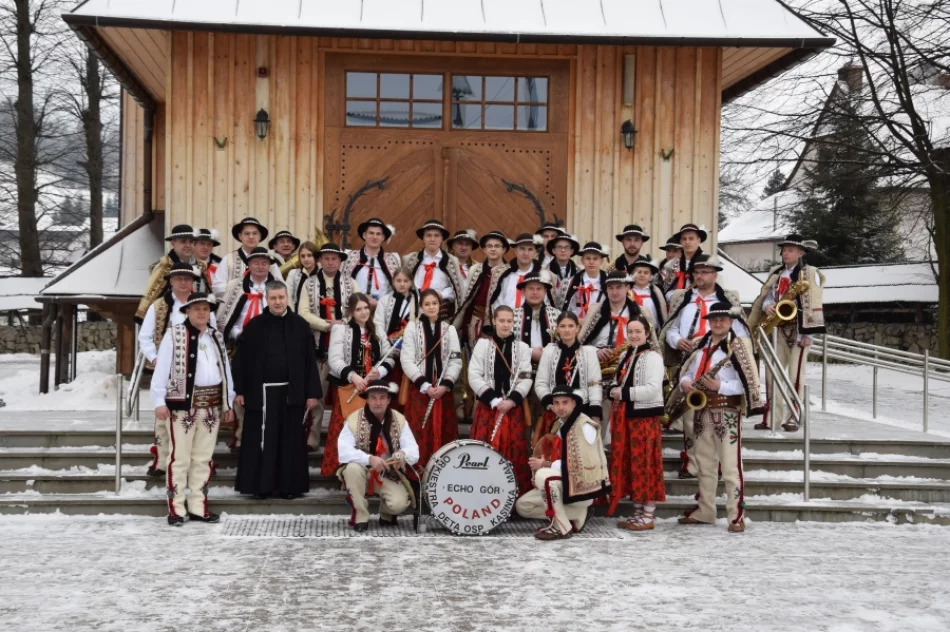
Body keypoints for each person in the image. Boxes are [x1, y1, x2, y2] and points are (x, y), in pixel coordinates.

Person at [672, 302, 764, 533]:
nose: (719, 323)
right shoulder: (701, 346)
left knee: (731, 467)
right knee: (705, 464)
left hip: (727, 411)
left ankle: (736, 515)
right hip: (701, 410)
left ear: (731, 322)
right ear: (709, 321)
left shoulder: (739, 346)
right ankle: (706, 511)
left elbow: (748, 383)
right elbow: (689, 373)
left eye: (723, 319)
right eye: (714, 319)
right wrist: (685, 383)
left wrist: (719, 385)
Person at [150, 292, 235, 526]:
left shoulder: (216, 336)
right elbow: (162, 369)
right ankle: (176, 508)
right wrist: (159, 401)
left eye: (205, 309)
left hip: (210, 407)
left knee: (203, 458)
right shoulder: (173, 335)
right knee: (179, 459)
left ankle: (198, 506)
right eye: (196, 308)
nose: (201, 313)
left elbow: (225, 370)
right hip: (182, 407)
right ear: (187, 311)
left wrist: (228, 400)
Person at [659, 254, 749, 473]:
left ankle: (717, 462)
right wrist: (677, 340)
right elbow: (671, 327)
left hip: (720, 365)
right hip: (691, 362)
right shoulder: (683, 299)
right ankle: (692, 462)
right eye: (697, 272)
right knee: (690, 418)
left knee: (717, 416)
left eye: (705, 272)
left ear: (715, 274)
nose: (700, 276)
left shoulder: (727, 299)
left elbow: (741, 331)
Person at [233, 280, 321, 499]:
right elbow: (241, 361)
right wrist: (240, 390)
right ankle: (260, 487)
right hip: (260, 395)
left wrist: (312, 393)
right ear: (267, 299)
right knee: (262, 441)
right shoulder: (254, 326)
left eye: (281, 297)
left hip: (292, 394)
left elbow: (310, 361)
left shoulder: (300, 325)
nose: (278, 302)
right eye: (273, 298)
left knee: (289, 440)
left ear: (287, 298)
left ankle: (288, 487)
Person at [138, 263, 210, 477]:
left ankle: (198, 464)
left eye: (187, 278)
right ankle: (162, 460)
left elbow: (212, 332)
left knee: (196, 417)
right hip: (169, 370)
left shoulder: (202, 304)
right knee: (164, 417)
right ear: (170, 281)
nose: (183, 281)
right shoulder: (158, 305)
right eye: (178, 278)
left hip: (197, 371)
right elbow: (145, 337)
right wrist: (156, 359)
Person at [748, 234, 825, 432]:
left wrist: (809, 334)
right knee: (773, 375)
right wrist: (767, 307)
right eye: (784, 249)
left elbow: (815, 303)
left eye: (790, 250)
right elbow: (768, 296)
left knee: (795, 376)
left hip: (799, 330)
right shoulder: (776, 273)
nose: (785, 253)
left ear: (800, 253)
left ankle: (794, 416)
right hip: (778, 329)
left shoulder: (810, 273)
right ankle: (771, 418)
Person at [515, 385, 611, 540]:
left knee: (543, 476)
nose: (560, 407)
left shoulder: (585, 426)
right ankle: (579, 515)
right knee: (523, 506)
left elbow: (584, 466)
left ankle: (560, 527)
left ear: (574, 403)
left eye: (565, 402)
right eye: (557, 403)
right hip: (565, 484)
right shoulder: (560, 424)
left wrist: (545, 465)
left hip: (584, 488)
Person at [321, 293, 395, 477]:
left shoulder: (377, 329)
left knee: (371, 432)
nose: (363, 312)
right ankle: (340, 472)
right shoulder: (341, 329)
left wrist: (381, 372)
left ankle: (370, 475)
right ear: (352, 312)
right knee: (346, 430)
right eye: (358, 309)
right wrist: (353, 377)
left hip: (373, 391)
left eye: (366, 308)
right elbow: (335, 359)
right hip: (349, 389)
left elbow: (390, 356)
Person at [607, 317, 666, 529]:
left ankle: (648, 514)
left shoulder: (653, 357)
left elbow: (651, 389)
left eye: (638, 331)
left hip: (644, 418)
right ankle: (639, 511)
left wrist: (621, 393)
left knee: (646, 463)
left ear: (647, 333)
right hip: (627, 417)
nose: (633, 335)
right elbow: (618, 380)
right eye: (630, 331)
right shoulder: (626, 354)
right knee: (633, 464)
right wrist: (612, 389)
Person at [337, 380, 419, 532]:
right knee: (352, 468)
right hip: (363, 472)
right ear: (367, 399)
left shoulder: (399, 419)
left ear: (389, 400)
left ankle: (386, 511)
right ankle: (361, 514)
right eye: (373, 398)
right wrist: (368, 459)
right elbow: (343, 451)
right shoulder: (354, 419)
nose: (378, 402)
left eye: (382, 398)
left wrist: (402, 454)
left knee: (399, 504)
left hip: (386, 473)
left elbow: (413, 449)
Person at [468, 305, 534, 494]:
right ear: (494, 321)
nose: (505, 324)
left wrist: (511, 400)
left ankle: (511, 498)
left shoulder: (522, 348)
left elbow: (526, 377)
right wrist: (494, 400)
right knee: (485, 451)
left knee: (513, 453)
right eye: (502, 320)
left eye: (509, 321)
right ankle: (481, 492)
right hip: (489, 408)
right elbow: (474, 375)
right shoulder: (483, 345)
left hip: (512, 409)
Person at [297, 243, 354, 450]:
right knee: (317, 392)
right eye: (327, 258)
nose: (330, 262)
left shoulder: (350, 283)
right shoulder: (310, 284)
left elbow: (358, 310)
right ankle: (313, 436)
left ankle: (344, 438)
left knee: (346, 394)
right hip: (318, 348)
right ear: (320, 260)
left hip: (345, 349)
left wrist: (343, 324)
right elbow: (302, 312)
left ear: (340, 261)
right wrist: (327, 325)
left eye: (334, 258)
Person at [399, 289, 462, 467]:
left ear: (439, 305)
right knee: (419, 430)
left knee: (444, 431)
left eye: (434, 303)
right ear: (421, 307)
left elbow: (456, 360)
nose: (431, 307)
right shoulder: (412, 328)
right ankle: (416, 472)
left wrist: (445, 385)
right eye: (427, 304)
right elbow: (407, 360)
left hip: (443, 392)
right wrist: (424, 385)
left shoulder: (449, 329)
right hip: (420, 390)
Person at [533, 311, 602, 445]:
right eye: (563, 326)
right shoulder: (549, 351)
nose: (567, 330)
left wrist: (595, 414)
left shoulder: (589, 352)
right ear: (557, 329)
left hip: (582, 412)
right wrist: (551, 404)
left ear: (577, 328)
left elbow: (594, 384)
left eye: (571, 326)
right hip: (555, 412)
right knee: (554, 453)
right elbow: (541, 383)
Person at [135, 224, 204, 323]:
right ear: (173, 243)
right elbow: (151, 299)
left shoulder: (201, 266)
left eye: (191, 242)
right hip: (169, 321)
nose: (188, 245)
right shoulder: (164, 267)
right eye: (183, 241)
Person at [373, 268, 419, 409]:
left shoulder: (418, 300)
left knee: (406, 389)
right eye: (398, 281)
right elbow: (378, 325)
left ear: (411, 282)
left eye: (406, 281)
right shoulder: (385, 301)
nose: (402, 284)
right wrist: (387, 343)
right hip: (389, 349)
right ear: (393, 282)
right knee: (391, 384)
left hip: (410, 350)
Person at [454, 230, 509, 346]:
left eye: (497, 246)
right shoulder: (475, 270)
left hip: (500, 323)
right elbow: (468, 300)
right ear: (484, 249)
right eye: (489, 246)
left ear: (504, 249)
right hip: (475, 323)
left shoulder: (509, 273)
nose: (493, 249)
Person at [403, 219, 464, 319]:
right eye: (428, 235)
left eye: (436, 235)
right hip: (413, 314)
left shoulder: (452, 261)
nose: (432, 239)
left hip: (442, 314)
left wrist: (441, 294)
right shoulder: (410, 260)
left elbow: (457, 291)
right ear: (423, 238)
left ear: (441, 239)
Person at [217, 247, 276, 344]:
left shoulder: (279, 287)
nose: (260, 267)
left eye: (264, 263)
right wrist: (238, 335)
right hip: (242, 342)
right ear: (249, 264)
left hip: (272, 342)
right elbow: (223, 320)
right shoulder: (234, 286)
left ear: (269, 265)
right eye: (256, 263)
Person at [212, 217, 282, 298]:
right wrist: (246, 290)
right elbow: (217, 287)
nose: (251, 237)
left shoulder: (269, 260)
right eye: (247, 233)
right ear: (240, 236)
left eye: (255, 233)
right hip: (236, 308)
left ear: (260, 236)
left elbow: (281, 285)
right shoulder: (228, 259)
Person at [344, 217, 401, 306]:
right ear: (364, 235)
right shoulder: (350, 257)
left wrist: (379, 304)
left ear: (383, 237)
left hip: (383, 312)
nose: (374, 237)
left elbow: (398, 289)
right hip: (355, 310)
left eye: (378, 234)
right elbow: (343, 286)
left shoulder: (392, 259)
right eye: (371, 233)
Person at [488, 233, 543, 311]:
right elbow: (497, 302)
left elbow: (546, 304)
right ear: (515, 251)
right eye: (522, 248)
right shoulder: (500, 273)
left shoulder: (544, 275)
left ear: (535, 252)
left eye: (530, 249)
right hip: (506, 320)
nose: (526, 253)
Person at [563, 241, 609, 319]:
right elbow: (569, 308)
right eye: (588, 258)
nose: (591, 262)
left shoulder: (609, 281)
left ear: (601, 261)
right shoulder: (572, 282)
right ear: (582, 260)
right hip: (578, 325)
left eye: (595, 259)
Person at [659, 223, 706, 297]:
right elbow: (665, 291)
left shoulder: (708, 263)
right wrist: (675, 296)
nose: (687, 242)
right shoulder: (671, 266)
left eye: (691, 238)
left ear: (698, 240)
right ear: (680, 242)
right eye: (684, 239)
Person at [630, 257, 667, 328]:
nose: (642, 275)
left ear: (650, 277)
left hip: (654, 329)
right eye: (639, 272)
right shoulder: (628, 290)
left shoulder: (656, 291)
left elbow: (662, 311)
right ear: (632, 274)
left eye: (646, 273)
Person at [546, 232, 579, 310]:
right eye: (559, 247)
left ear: (571, 251)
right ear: (553, 250)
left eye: (567, 247)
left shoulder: (579, 273)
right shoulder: (544, 272)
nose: (563, 250)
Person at [285, 241, 320, 313]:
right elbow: (288, 297)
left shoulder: (321, 274)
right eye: (303, 256)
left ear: (315, 257)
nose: (306, 259)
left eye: (309, 255)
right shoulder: (293, 274)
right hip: (296, 316)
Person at [194, 228, 221, 293]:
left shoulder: (220, 265)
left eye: (209, 244)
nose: (206, 247)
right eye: (202, 243)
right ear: (193, 245)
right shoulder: (185, 263)